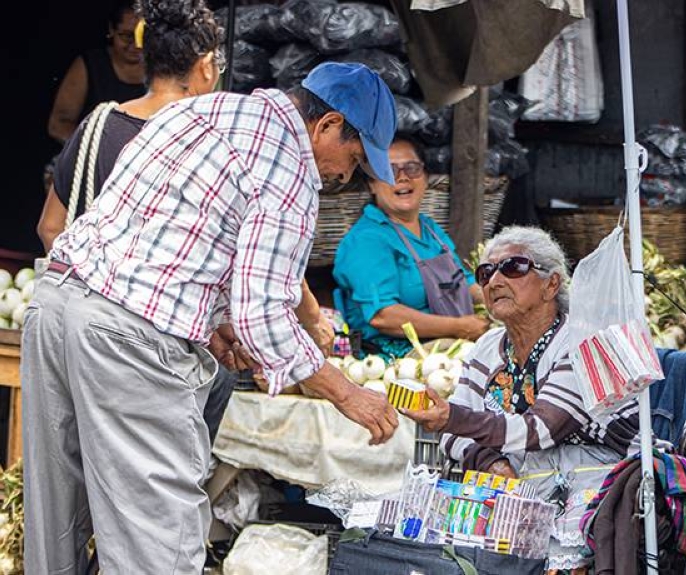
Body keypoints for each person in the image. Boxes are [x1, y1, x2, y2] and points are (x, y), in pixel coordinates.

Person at [21, 61, 400, 574]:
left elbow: (170, 237)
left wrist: (213, 319)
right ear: (327, 125)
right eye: (353, 159)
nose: (343, 176)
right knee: (159, 548)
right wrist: (346, 393)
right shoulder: (290, 164)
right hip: (128, 340)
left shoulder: (205, 109)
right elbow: (265, 309)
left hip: (57, 307)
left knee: (55, 528)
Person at [36, 0, 334, 385]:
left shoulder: (98, 124)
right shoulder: (217, 139)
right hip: (160, 344)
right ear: (207, 65)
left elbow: (50, 227)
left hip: (72, 315)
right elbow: (259, 259)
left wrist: (87, 295)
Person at [405, 226, 639, 574]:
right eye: (486, 273)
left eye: (513, 268)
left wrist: (449, 417)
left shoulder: (581, 342)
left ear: (551, 284)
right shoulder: (488, 346)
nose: (495, 280)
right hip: (524, 485)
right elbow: (452, 438)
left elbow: (540, 429)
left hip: (596, 482)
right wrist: (492, 463)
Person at [334, 136, 489, 358]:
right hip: (395, 358)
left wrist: (498, 302)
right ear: (372, 184)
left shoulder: (430, 229)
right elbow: (383, 315)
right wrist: (458, 327)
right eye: (389, 170)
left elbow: (463, 279)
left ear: (425, 178)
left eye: (412, 168)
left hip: (448, 346)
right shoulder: (367, 239)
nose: (403, 177)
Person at [47, 0, 146, 145]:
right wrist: (99, 150)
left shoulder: (164, 67)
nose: (136, 45)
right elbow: (58, 125)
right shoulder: (90, 65)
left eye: (142, 36)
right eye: (126, 36)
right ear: (111, 30)